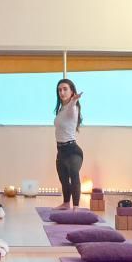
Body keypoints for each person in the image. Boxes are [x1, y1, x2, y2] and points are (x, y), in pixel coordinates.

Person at [54, 78, 84, 209]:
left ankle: (76, 207)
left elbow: (72, 107)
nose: (62, 92)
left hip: (73, 151)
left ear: (72, 92)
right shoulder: (61, 109)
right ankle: (66, 203)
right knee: (63, 179)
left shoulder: (73, 108)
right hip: (61, 151)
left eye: (65, 89)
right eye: (60, 90)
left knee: (74, 176)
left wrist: (74, 100)